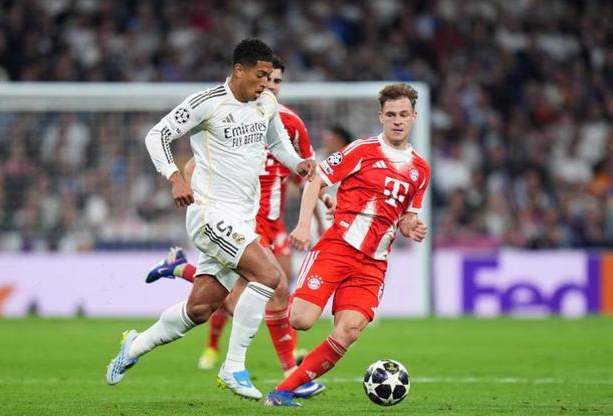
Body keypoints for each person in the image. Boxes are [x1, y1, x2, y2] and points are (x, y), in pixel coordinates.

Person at [105, 39, 316, 401]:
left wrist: (298, 164)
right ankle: (233, 367)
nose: (266, 83)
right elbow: (157, 135)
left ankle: (135, 345)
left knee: (200, 309)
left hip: (243, 218)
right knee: (268, 276)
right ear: (239, 70)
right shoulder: (208, 103)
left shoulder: (266, 104)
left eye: (270, 76)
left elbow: (278, 143)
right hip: (209, 214)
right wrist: (175, 178)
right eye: (261, 75)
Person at [264, 83, 431, 406]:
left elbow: (406, 216)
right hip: (337, 248)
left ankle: (282, 391)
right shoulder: (361, 150)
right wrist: (303, 224)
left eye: (404, 114)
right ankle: (257, 298)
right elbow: (316, 178)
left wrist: (411, 226)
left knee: (349, 331)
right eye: (391, 114)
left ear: (414, 117)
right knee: (301, 319)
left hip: (373, 263)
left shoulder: (420, 170)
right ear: (381, 116)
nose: (397, 120)